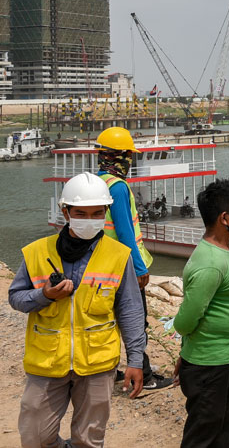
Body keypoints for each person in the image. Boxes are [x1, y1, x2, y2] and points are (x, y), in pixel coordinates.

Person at [9, 172, 145, 447]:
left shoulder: (119, 256)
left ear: (106, 212)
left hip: (97, 363)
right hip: (46, 362)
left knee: (89, 439)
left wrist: (135, 360)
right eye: (81, 212)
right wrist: (44, 295)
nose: (89, 219)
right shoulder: (36, 252)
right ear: (65, 211)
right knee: (35, 436)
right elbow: (16, 298)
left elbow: (130, 310)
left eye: (97, 213)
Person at [173, 178, 229, 448]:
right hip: (209, 364)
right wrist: (187, 355)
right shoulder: (209, 263)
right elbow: (185, 321)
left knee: (224, 431)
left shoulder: (224, 250)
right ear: (224, 218)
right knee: (203, 434)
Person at [94, 126, 172, 390]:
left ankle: (112, 367)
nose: (131, 161)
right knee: (136, 320)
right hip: (124, 266)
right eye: (129, 156)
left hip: (103, 265)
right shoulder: (117, 188)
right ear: (122, 157)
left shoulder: (98, 182)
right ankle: (145, 376)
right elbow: (126, 232)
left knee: (110, 319)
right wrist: (139, 268)